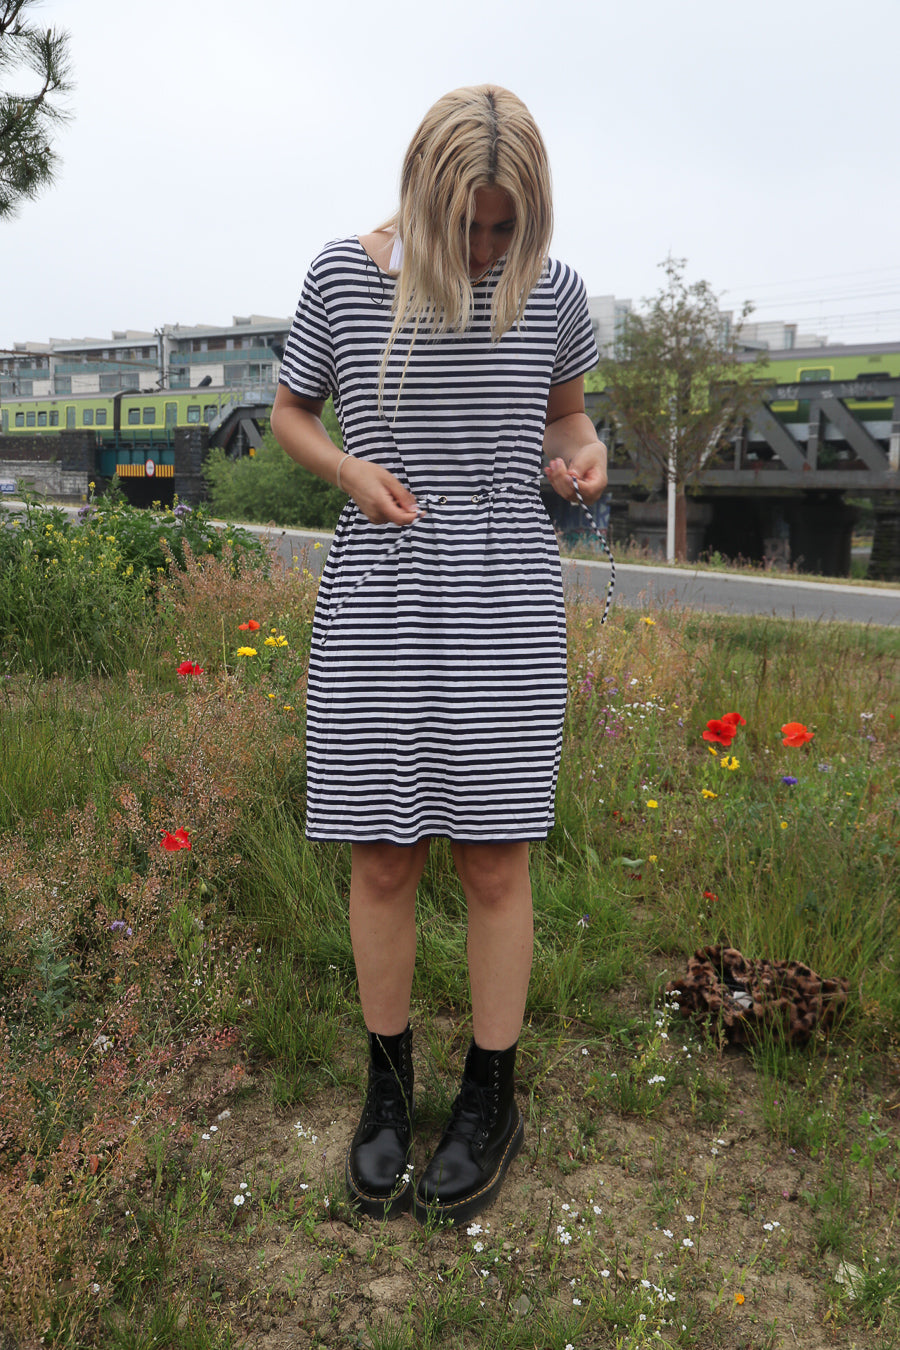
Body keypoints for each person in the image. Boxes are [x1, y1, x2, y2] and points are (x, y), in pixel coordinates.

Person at [270, 84, 607, 1226]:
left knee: (496, 858)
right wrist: (349, 470)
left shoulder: (552, 290)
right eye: (470, 225)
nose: (488, 249)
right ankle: (387, 1087)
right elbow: (290, 413)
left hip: (507, 585)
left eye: (509, 227)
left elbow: (567, 418)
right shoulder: (342, 276)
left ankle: (490, 1095)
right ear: (423, 195)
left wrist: (584, 457)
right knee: (382, 853)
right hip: (384, 578)